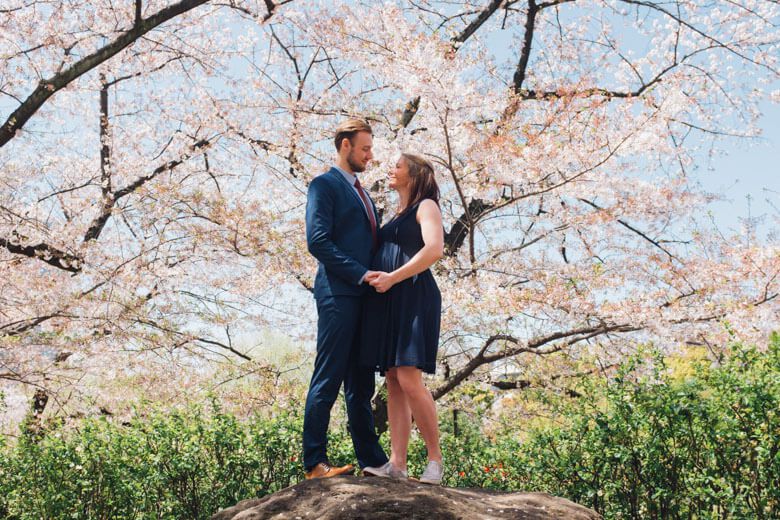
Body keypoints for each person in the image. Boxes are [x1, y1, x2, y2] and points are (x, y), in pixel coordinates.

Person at [302, 118, 389, 479]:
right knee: (330, 375)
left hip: (365, 298)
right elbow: (317, 241)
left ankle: (372, 461)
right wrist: (358, 273)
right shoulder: (324, 185)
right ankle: (314, 463)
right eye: (365, 148)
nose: (370, 155)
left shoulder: (364, 193)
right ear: (345, 146)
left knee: (361, 381)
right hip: (338, 293)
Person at [360, 153, 445, 485]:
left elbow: (434, 249)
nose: (391, 170)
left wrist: (393, 277)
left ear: (414, 174)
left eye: (397, 166)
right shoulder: (396, 212)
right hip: (390, 298)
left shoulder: (427, 206)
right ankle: (397, 464)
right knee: (394, 379)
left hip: (413, 294)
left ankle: (435, 461)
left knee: (409, 378)